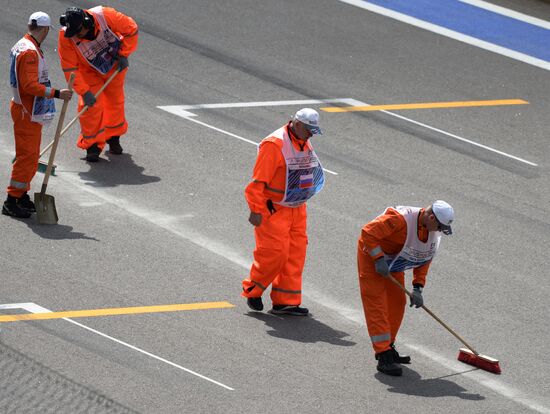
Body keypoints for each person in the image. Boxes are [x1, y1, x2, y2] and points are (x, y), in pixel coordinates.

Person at [241, 108, 325, 316]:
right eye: (309, 130)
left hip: (297, 208)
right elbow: (257, 183)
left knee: (295, 255)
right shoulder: (274, 144)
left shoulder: (303, 140)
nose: (312, 135)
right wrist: (256, 210)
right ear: (297, 125)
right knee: (274, 254)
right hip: (274, 209)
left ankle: (285, 301)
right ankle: (253, 290)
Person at [357, 200, 454, 376]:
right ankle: (383, 354)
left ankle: (389, 346)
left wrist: (418, 287)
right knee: (376, 303)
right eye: (439, 227)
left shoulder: (432, 234)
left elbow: (424, 259)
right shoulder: (400, 219)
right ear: (431, 217)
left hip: (395, 262)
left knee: (397, 302)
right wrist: (378, 259)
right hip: (373, 257)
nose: (439, 231)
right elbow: (368, 233)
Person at [3, 12, 73, 219]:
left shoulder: (24, 44)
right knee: (27, 157)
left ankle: (21, 194)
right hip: (26, 111)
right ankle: (11, 200)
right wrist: (57, 93)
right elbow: (29, 85)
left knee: (31, 156)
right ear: (44, 30)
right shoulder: (30, 52)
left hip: (26, 109)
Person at [57, 6, 138, 162]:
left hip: (114, 64)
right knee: (90, 106)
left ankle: (113, 138)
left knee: (115, 101)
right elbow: (70, 67)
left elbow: (131, 29)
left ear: (87, 23)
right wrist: (84, 91)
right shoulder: (66, 36)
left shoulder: (106, 15)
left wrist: (124, 54)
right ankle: (92, 146)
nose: (75, 36)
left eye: (78, 32)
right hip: (88, 71)